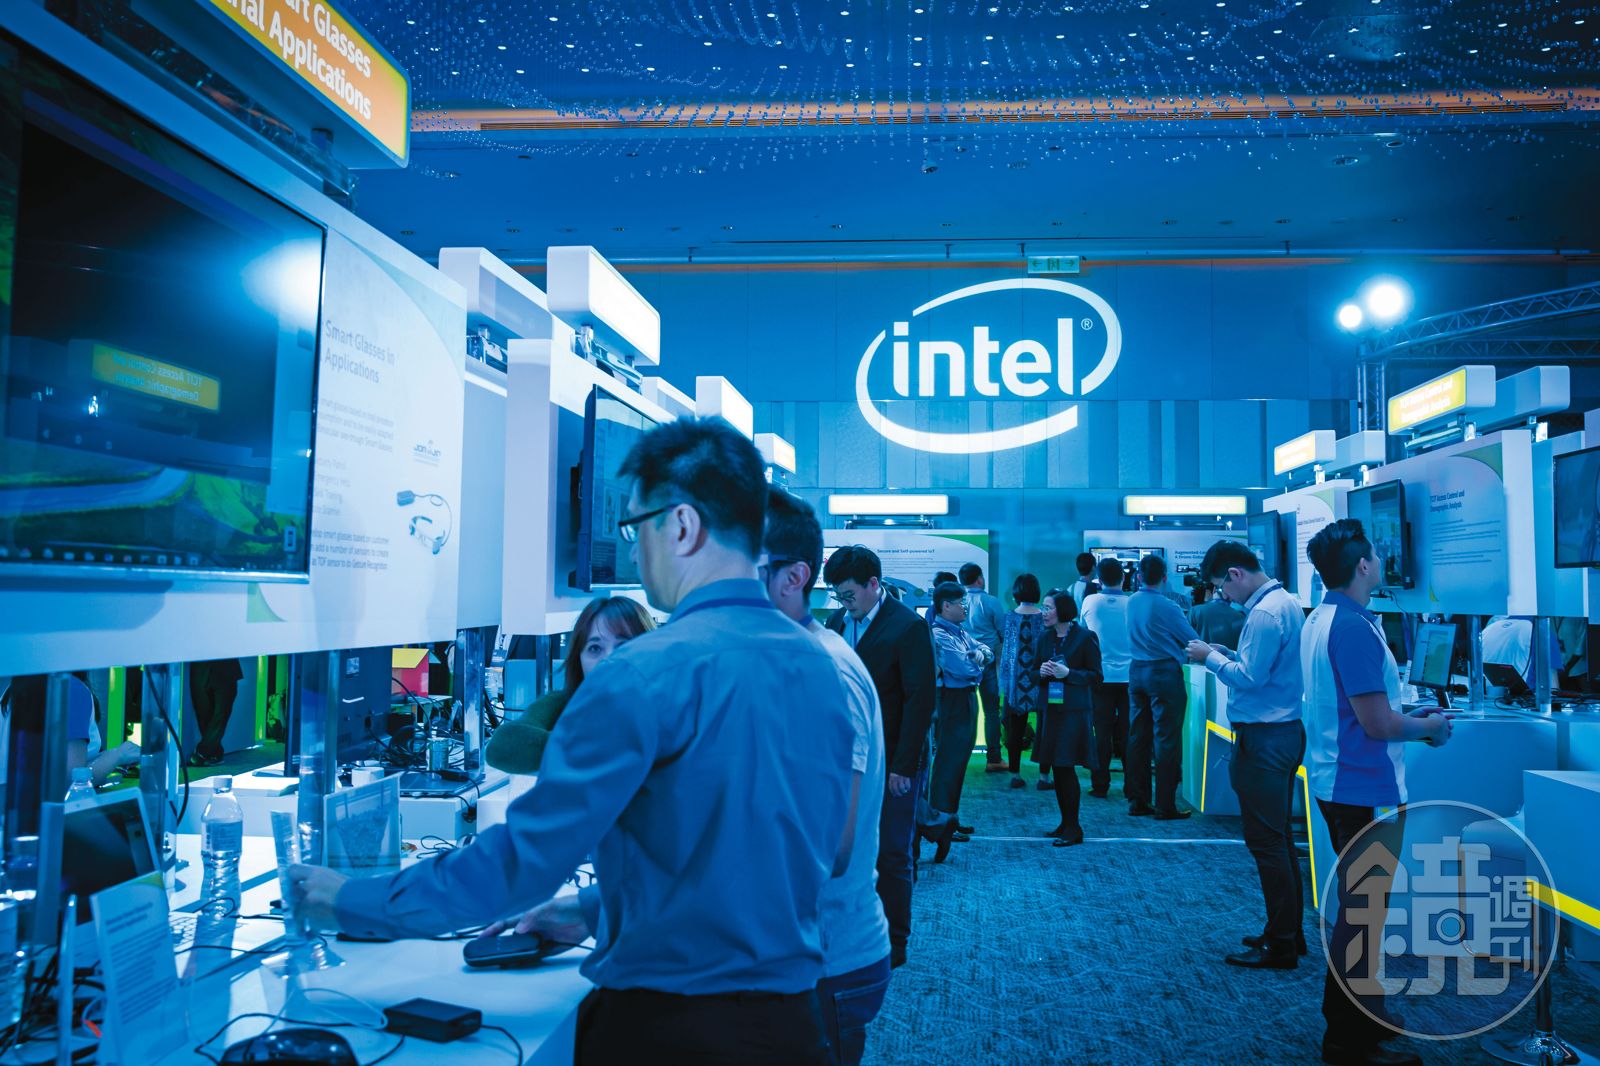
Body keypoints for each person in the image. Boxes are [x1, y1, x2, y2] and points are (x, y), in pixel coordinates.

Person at [290, 417, 857, 1065]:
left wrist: (350, 900)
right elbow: (776, 854)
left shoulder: (641, 674)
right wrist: (595, 907)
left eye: (635, 528)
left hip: (670, 1034)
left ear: (681, 526)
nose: (635, 553)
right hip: (796, 1026)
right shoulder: (820, 666)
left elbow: (523, 863)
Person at [1302, 519, 1451, 1066]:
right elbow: (1377, 724)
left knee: (1360, 909)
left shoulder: (1323, 618)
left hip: (1339, 780)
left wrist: (1406, 713)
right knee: (1363, 914)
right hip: (1364, 786)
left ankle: (1367, 1013)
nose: (1383, 562)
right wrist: (1429, 728)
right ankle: (1347, 1041)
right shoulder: (1352, 629)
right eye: (1376, 556)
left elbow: (1360, 709)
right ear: (1362, 565)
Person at [761, 488, 891, 1066]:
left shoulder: (821, 672)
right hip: (803, 957)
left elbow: (827, 846)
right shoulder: (792, 657)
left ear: (792, 578)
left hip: (823, 964)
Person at [1185, 541, 1306, 970]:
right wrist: (1229, 655)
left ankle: (1282, 943)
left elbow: (1251, 678)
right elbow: (1263, 668)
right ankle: (1286, 932)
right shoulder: (1284, 603)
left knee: (1268, 843)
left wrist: (1211, 658)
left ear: (1236, 574)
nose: (1223, 595)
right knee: (1279, 840)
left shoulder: (1265, 613)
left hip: (1265, 739)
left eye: (1222, 586)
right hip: (1280, 733)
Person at [825, 544, 937, 971]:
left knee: (892, 852)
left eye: (849, 594)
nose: (844, 603)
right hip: (845, 760)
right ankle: (856, 932)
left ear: (874, 584)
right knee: (849, 848)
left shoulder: (908, 627)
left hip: (893, 762)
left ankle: (896, 940)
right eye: (839, 596)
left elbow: (919, 700)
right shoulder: (837, 623)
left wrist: (903, 767)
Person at [485, 597, 655, 774]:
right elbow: (502, 747)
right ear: (578, 658)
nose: (607, 659)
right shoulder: (561, 702)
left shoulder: (666, 709)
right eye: (595, 648)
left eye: (623, 646)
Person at [1127, 554, 1201, 819]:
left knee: (1138, 737)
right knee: (1166, 739)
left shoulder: (1132, 601)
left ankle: (1138, 800)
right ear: (1165, 577)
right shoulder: (1167, 606)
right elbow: (1193, 640)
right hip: (1163, 675)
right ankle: (1165, 805)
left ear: (1138, 577)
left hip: (1137, 671)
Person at [923, 581, 992, 861]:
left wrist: (980, 657)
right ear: (945, 606)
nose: (965, 607)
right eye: (961, 603)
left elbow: (985, 651)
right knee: (948, 762)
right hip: (952, 701)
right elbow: (964, 669)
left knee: (958, 761)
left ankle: (949, 817)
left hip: (964, 698)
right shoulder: (939, 635)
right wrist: (978, 661)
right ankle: (940, 820)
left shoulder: (959, 631)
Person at [1035, 591, 1102, 847]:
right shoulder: (1045, 638)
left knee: (1066, 766)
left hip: (1074, 711)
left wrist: (1069, 673)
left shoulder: (1085, 637)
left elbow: (1096, 676)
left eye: (1048, 608)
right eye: (1043, 607)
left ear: (1062, 610)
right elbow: (1032, 673)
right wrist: (1041, 672)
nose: (1044, 612)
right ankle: (1066, 824)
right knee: (1058, 767)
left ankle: (1073, 827)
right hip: (1051, 710)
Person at [1080, 558, 1131, 800]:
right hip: (1130, 677)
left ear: (1098, 579)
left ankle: (1100, 784)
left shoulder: (1090, 601)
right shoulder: (1132, 603)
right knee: (1129, 733)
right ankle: (1133, 787)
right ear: (1123, 577)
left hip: (1100, 675)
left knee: (1101, 732)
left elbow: (1083, 633)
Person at [998, 573, 1046, 791]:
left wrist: (1005, 685)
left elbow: (1007, 654)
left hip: (1016, 682)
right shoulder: (1044, 617)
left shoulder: (1009, 617)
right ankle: (1044, 776)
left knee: (1015, 730)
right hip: (1042, 678)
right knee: (1045, 729)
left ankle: (1015, 774)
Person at [960, 563, 1007, 774]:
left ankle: (960, 757)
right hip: (987, 663)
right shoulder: (991, 602)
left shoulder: (959, 602)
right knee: (991, 712)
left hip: (963, 663)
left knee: (964, 713)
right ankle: (994, 758)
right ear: (980, 579)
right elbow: (1003, 631)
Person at [189, 658, 243, 766]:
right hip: (201, 668)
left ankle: (202, 752)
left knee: (220, 715)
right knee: (204, 716)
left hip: (226, 668)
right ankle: (214, 753)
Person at [1190, 578, 1246, 651]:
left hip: (1199, 657)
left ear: (1214, 590)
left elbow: (1184, 639)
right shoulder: (1242, 617)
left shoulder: (1195, 611)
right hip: (1228, 658)